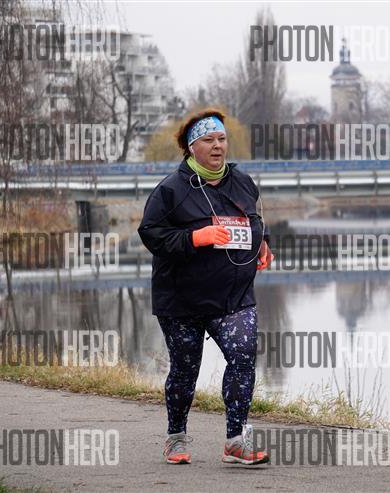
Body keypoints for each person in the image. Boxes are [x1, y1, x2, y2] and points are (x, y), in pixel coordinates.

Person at [138, 108, 273, 466]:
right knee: (185, 370)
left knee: (243, 356)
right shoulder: (170, 190)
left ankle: (236, 440)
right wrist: (195, 237)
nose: (217, 146)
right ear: (191, 147)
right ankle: (176, 436)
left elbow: (255, 217)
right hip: (181, 299)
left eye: (222, 139)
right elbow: (151, 234)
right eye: (208, 140)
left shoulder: (242, 181)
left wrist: (263, 242)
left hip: (233, 296)